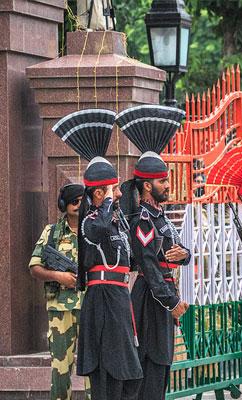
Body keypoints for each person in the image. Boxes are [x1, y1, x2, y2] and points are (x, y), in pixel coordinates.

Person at [51, 108, 142, 400]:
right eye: (113, 189)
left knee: (129, 373)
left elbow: (131, 257)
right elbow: (98, 230)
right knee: (107, 373)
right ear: (100, 193)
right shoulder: (92, 221)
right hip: (102, 301)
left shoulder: (116, 218)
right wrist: (100, 202)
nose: (119, 195)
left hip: (119, 299)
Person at [115, 105, 191, 400]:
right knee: (152, 363)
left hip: (161, 295)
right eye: (163, 182)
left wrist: (184, 255)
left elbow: (180, 249)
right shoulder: (143, 221)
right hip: (150, 297)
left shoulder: (160, 216)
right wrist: (172, 302)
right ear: (147, 186)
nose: (168, 185)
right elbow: (148, 266)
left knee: (162, 363)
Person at [29, 183, 91, 400]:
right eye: (74, 200)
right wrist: (58, 276)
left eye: (82, 200)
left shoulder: (93, 229)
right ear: (64, 205)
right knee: (60, 369)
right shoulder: (52, 232)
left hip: (90, 306)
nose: (78, 204)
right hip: (60, 310)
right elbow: (35, 266)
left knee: (93, 367)